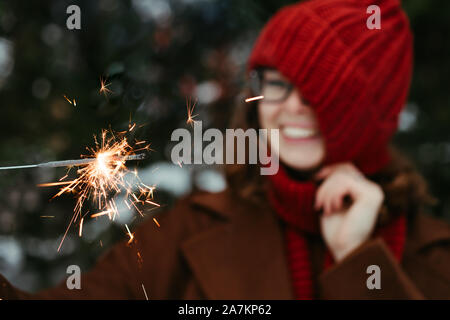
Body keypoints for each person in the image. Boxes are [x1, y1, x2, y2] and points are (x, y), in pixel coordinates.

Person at [1, 0, 449, 300]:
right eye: (277, 84)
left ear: (373, 116)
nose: (291, 109)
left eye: (320, 93)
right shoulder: (191, 228)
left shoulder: (432, 257)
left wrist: (358, 261)